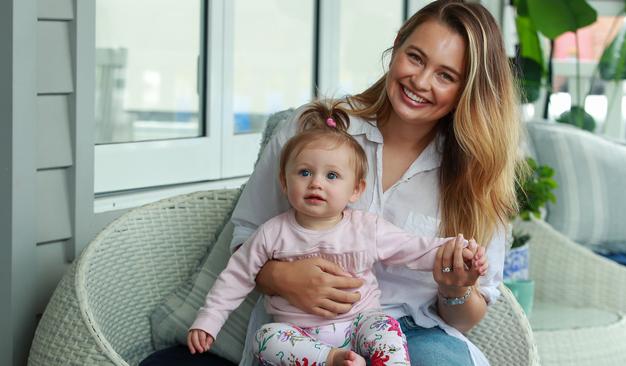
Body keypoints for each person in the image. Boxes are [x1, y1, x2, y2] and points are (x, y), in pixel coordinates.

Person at [140, 0, 522, 365]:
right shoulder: (317, 128)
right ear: (397, 45)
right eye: (415, 57)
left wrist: (455, 289)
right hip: (302, 326)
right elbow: (247, 235)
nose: (420, 81)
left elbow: (465, 317)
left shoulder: (476, 176)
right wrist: (281, 277)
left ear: (466, 91)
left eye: (445, 75)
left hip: (411, 331)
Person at [186, 101, 488, 366]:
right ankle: (332, 361)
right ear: (284, 181)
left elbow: (413, 249)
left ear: (355, 189)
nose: (316, 183)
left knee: (387, 328)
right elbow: (235, 277)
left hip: (360, 324)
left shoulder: (365, 228)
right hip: (302, 336)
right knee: (266, 339)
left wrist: (456, 251)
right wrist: (208, 322)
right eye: (304, 173)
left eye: (331, 176)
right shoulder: (271, 233)